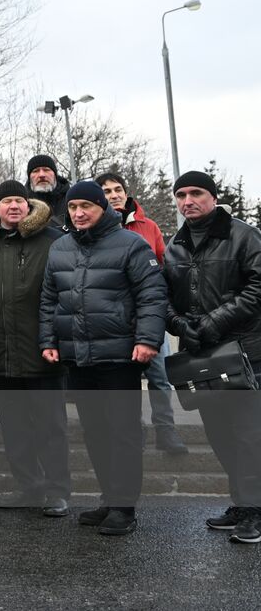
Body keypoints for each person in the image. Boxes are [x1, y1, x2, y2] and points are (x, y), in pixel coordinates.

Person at [40, 180, 167, 536]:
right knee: (95, 432)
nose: (79, 213)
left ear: (103, 208)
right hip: (78, 358)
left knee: (122, 432)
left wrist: (147, 339)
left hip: (120, 358)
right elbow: (49, 299)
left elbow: (153, 296)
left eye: (86, 207)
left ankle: (125, 507)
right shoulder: (60, 247)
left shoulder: (131, 245)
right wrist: (48, 339)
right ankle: (109, 499)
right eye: (73, 208)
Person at [163, 170, 261, 544]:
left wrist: (214, 322)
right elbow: (166, 299)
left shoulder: (244, 235)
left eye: (196, 193)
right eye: (181, 194)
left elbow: (257, 288)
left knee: (250, 435)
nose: (188, 200)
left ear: (212, 196)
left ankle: (255, 509)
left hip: (246, 354)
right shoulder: (175, 246)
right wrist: (179, 325)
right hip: (202, 356)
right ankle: (241, 503)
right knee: (220, 436)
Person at [0, 181, 69, 516]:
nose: (13, 206)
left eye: (19, 200)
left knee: (50, 427)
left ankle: (57, 490)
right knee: (14, 429)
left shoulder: (54, 241)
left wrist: (55, 339)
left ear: (28, 206)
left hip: (42, 352)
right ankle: (29, 487)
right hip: (0, 354)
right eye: (6, 201)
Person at [95, 171, 185, 454]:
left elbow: (162, 269)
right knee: (125, 382)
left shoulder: (149, 226)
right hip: (115, 319)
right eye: (107, 191)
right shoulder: (93, 228)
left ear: (126, 191)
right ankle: (135, 430)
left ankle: (166, 431)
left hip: (149, 315)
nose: (114, 195)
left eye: (117, 189)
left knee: (160, 378)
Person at [25, 154, 70, 229]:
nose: (41, 175)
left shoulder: (71, 199)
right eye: (35, 171)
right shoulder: (22, 204)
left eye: (46, 170)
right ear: (29, 178)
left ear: (55, 174)